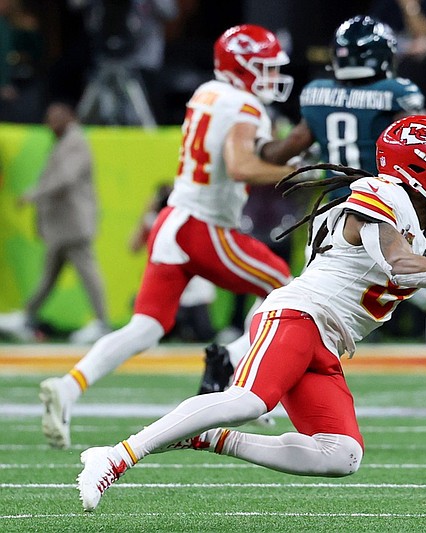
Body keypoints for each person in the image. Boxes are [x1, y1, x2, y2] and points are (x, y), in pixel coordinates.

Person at [75, 114, 426, 512]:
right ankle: (115, 456)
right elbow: (398, 263)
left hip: (330, 340)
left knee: (340, 455)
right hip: (298, 313)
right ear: (416, 167)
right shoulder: (380, 195)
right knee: (249, 400)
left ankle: (207, 439)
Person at [200, 15, 426, 438]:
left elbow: (286, 148)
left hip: (334, 214)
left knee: (313, 304)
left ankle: (232, 357)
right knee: (415, 300)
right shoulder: (397, 93)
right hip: (386, 210)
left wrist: (258, 145)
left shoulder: (317, 92)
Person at [36, 24, 297, 450]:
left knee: (146, 326)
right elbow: (241, 167)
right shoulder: (246, 106)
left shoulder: (207, 94)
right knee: (284, 287)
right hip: (205, 225)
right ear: (243, 68)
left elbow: (241, 153)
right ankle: (236, 366)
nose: (271, 77)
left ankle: (69, 386)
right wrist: (298, 172)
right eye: (264, 67)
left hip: (173, 219)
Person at [0, 102, 110, 344]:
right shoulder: (64, 142)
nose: (51, 122)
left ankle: (103, 321)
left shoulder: (76, 141)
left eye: (57, 117)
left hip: (73, 223)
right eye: (49, 117)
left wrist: (34, 194)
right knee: (50, 274)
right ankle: (27, 315)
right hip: (62, 226)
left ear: (70, 117)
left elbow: (66, 178)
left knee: (87, 271)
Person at [129, 183, 216, 343]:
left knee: (204, 334)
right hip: (168, 293)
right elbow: (133, 247)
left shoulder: (192, 221)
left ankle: (183, 328)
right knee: (146, 315)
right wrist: (146, 213)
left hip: (193, 296)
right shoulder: (155, 221)